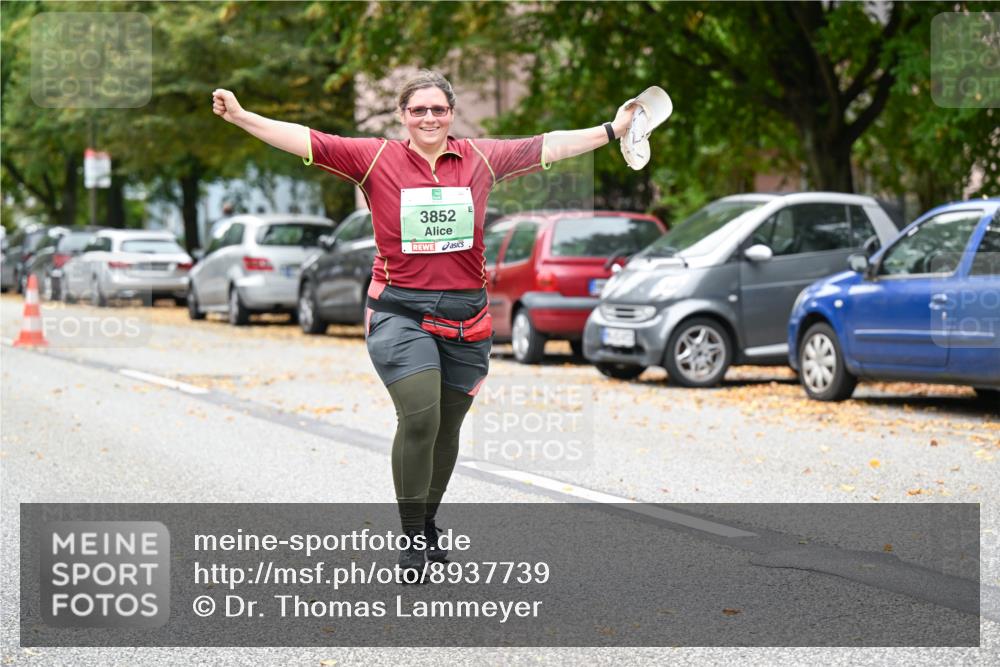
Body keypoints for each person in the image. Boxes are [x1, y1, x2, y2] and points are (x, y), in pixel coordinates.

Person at [212, 70, 637, 572]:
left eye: (438, 109)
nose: (429, 118)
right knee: (421, 416)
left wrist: (612, 129)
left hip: (467, 318)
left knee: (448, 430)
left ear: (451, 114)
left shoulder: (481, 157)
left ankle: (427, 519)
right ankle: (413, 536)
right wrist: (242, 117)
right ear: (403, 116)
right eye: (419, 110)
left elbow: (549, 146)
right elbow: (307, 139)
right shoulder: (375, 158)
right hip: (400, 313)